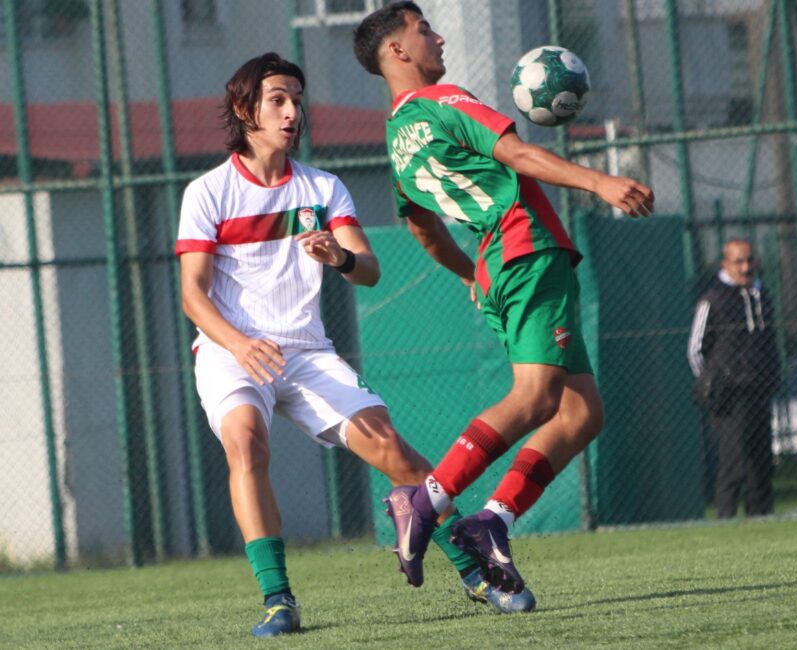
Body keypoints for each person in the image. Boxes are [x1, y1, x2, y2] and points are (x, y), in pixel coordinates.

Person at [175, 52, 531, 637]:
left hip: (307, 352)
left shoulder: (322, 186)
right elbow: (194, 296)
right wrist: (239, 346)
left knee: (393, 449)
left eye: (296, 99)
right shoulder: (208, 193)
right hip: (230, 351)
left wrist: (338, 257)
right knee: (246, 443)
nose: (293, 112)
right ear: (245, 110)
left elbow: (368, 269)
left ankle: (477, 572)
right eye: (278, 100)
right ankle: (278, 601)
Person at [351, 2, 654, 596]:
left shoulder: (396, 141)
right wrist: (600, 182)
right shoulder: (446, 101)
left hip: (500, 263)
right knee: (536, 397)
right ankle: (426, 502)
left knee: (581, 412)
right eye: (422, 30)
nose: (437, 37)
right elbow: (514, 153)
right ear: (397, 51)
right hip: (526, 246)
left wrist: (471, 273)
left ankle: (492, 521)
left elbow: (422, 230)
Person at [687, 239, 780, 518]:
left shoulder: (762, 295)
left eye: (750, 260)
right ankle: (725, 520)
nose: (746, 267)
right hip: (730, 395)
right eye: (739, 261)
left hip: (759, 389)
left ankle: (761, 519)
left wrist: (772, 373)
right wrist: (710, 382)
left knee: (761, 463)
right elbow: (695, 350)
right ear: (725, 264)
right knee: (734, 462)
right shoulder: (713, 299)